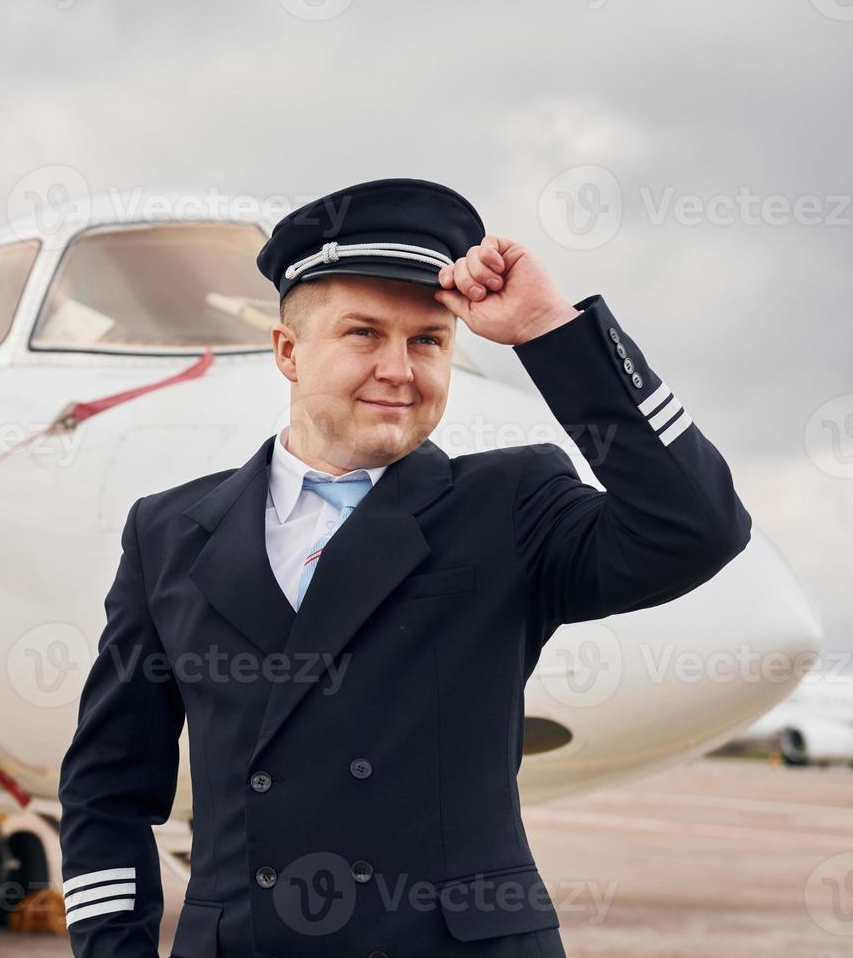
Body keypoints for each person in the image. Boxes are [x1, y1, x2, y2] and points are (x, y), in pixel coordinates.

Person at [56, 178, 752, 957]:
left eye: (428, 340)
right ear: (287, 351)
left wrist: (550, 333)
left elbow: (697, 526)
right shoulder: (169, 532)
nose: (401, 369)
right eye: (364, 334)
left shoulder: (509, 505)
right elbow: (107, 789)